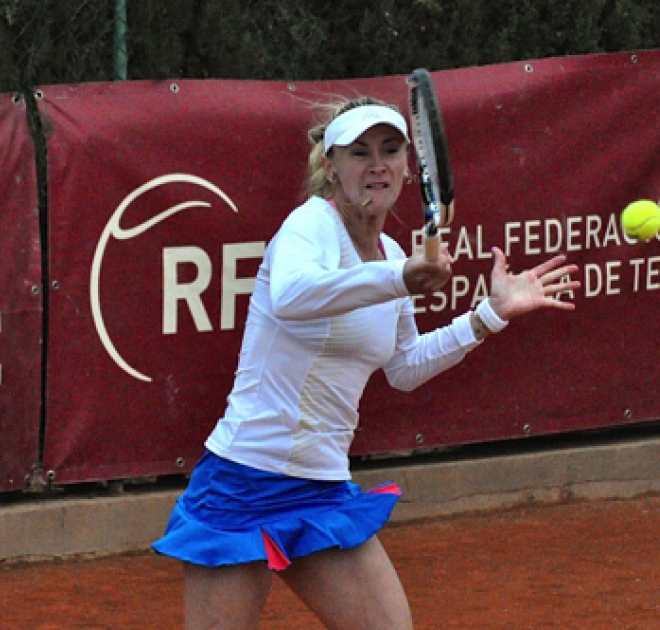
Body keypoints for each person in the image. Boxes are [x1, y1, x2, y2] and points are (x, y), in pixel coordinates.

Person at [153, 95, 581, 629]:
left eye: (389, 149)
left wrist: (488, 314)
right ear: (330, 166)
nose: (375, 163)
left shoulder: (394, 255)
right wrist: (400, 278)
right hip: (245, 478)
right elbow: (291, 295)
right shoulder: (310, 225)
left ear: (407, 168)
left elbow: (404, 366)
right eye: (359, 152)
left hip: (321, 485)